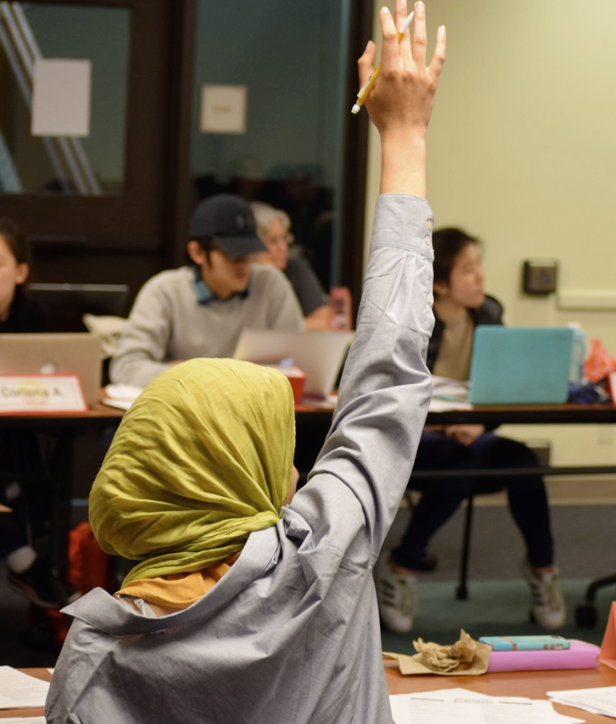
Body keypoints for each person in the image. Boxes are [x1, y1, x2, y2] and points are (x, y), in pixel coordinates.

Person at [46, 5, 445, 722]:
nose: (293, 468)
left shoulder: (93, 655)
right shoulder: (329, 556)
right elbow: (387, 371)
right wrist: (405, 136)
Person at [376, 227, 565, 633]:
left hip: (469, 437)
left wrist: (479, 423)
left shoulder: (489, 315)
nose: (480, 277)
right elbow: (384, 393)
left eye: (479, 266)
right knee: (458, 464)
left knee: (524, 462)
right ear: (440, 284)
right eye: (467, 270)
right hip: (415, 442)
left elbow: (503, 388)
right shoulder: (410, 319)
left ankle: (542, 570)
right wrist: (442, 426)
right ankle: (401, 566)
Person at [110, 194, 305, 388]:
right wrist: (190, 376)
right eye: (233, 255)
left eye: (250, 253)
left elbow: (301, 360)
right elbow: (125, 367)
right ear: (198, 252)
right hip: (186, 412)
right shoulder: (165, 291)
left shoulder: (270, 284)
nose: (244, 264)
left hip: (254, 411)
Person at [0, 218, 75, 610]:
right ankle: (23, 557)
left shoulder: (35, 318)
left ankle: (23, 547)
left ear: (21, 271)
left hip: (18, 432)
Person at [251, 201, 339, 331]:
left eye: (284, 239)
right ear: (253, 246)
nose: (283, 247)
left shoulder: (296, 268)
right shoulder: (242, 275)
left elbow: (326, 321)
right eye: (273, 241)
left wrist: (279, 328)